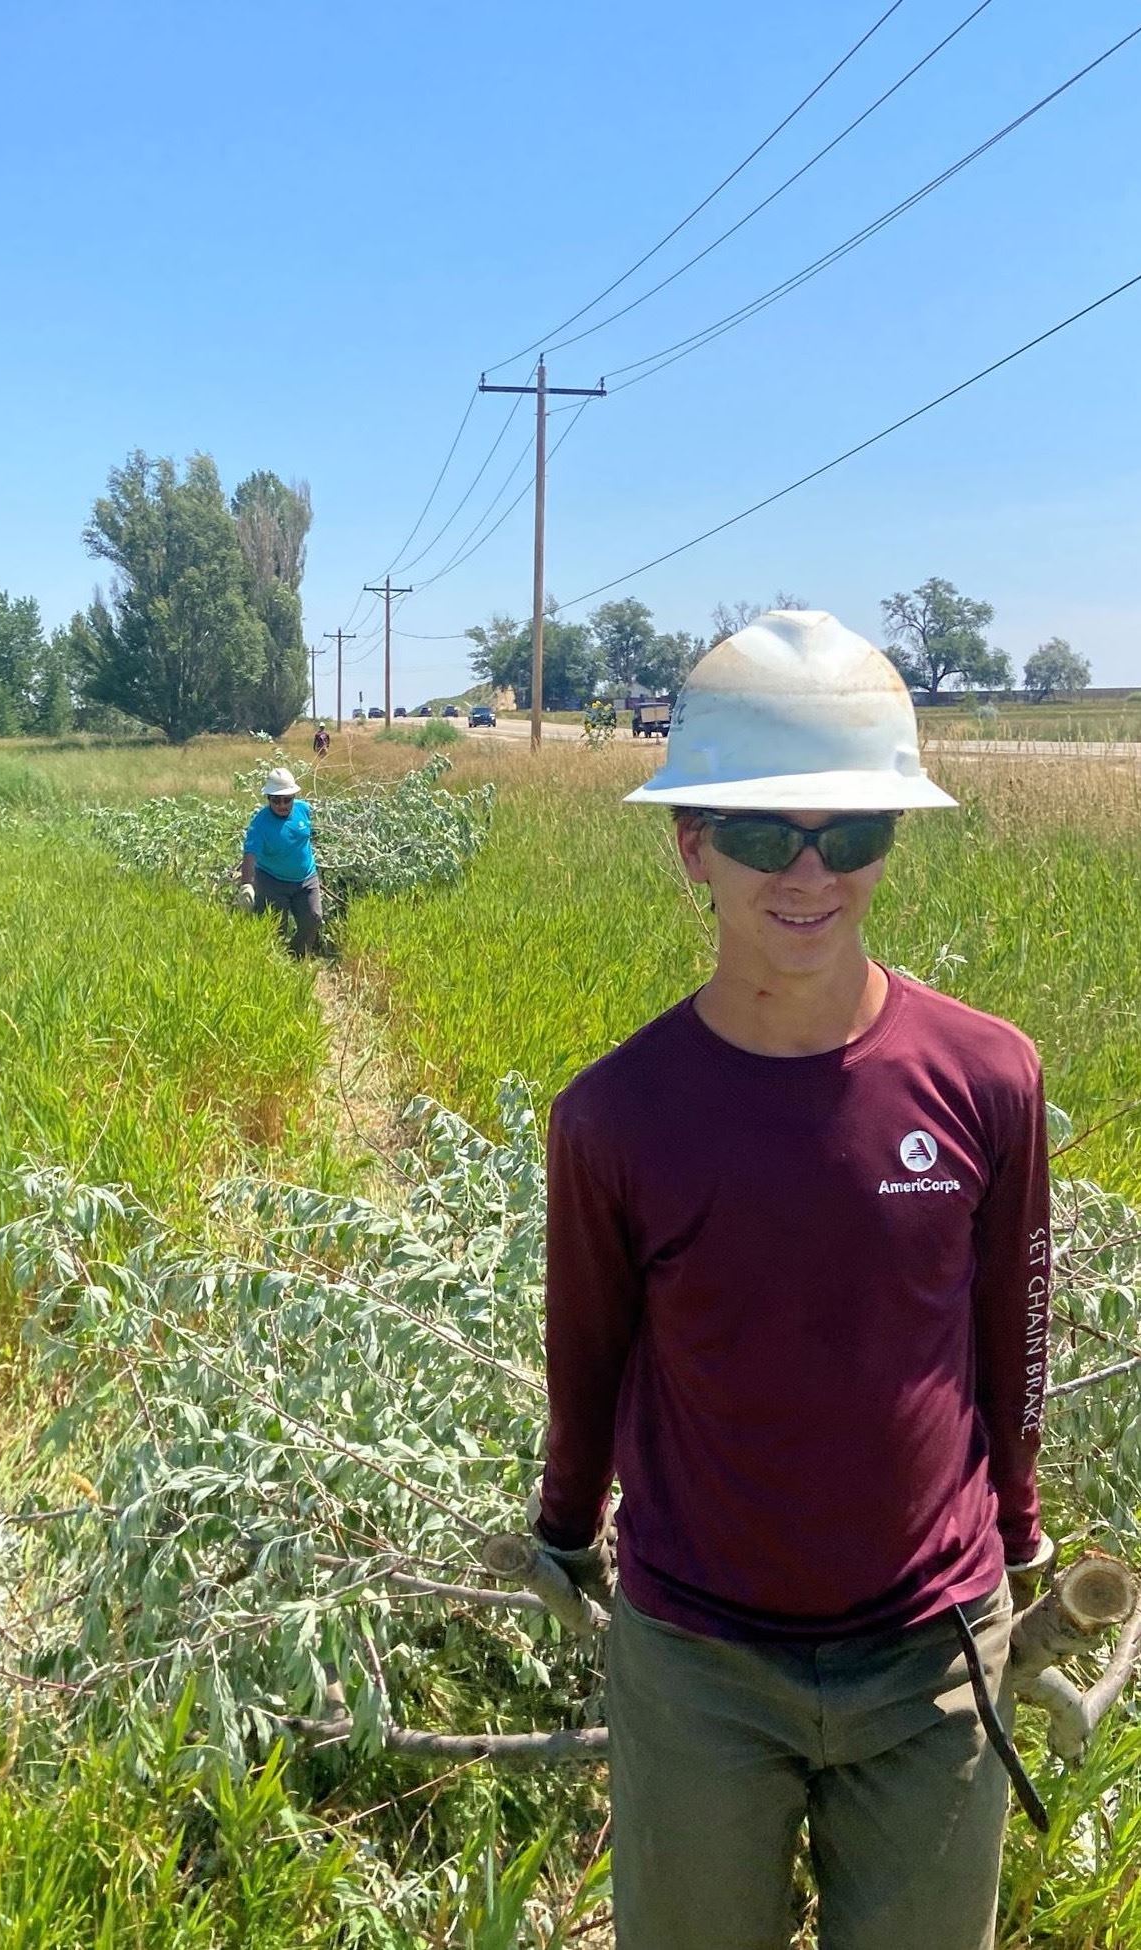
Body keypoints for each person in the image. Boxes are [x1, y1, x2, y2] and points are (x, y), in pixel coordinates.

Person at [530, 611, 1054, 1950]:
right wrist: (562, 1526)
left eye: (852, 833)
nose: (809, 874)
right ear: (691, 845)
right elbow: (587, 1354)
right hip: (698, 1656)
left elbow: (1013, 1328)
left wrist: (1023, 1523)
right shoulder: (618, 1116)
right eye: (765, 835)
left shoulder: (987, 1076)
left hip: (935, 1649)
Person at [237, 767, 322, 957]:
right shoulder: (260, 823)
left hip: (306, 879)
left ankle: (295, 958)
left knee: (313, 919)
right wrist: (246, 885)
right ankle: (273, 965)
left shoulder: (304, 810)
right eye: (276, 800)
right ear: (268, 799)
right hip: (271, 881)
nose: (282, 804)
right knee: (274, 928)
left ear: (294, 796)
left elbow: (308, 837)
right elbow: (250, 854)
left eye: (287, 799)